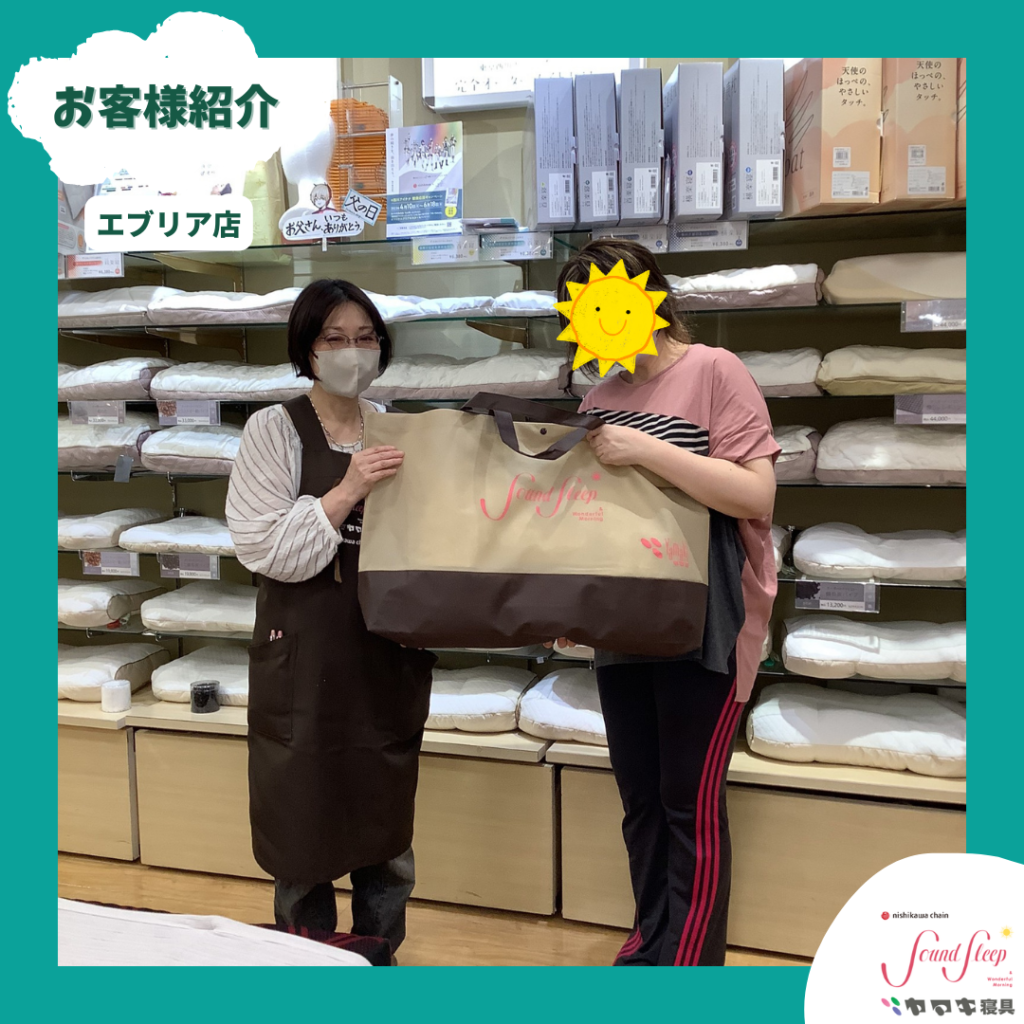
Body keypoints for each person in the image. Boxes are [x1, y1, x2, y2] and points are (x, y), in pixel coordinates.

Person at [551, 239, 780, 967]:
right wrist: (570, 605)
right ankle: (650, 942)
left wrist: (647, 450)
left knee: (691, 805)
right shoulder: (599, 396)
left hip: (707, 620)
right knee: (642, 799)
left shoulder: (714, 370)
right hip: (623, 621)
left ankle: (689, 966)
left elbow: (756, 493)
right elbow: (588, 513)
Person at [226, 279, 437, 958]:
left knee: (385, 825)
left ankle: (381, 956)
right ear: (307, 348)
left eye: (366, 337)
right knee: (302, 823)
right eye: (335, 338)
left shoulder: (396, 427)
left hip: (385, 653)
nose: (354, 351)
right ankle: (306, 961)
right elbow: (265, 547)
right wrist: (348, 490)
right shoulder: (273, 429)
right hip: (305, 655)